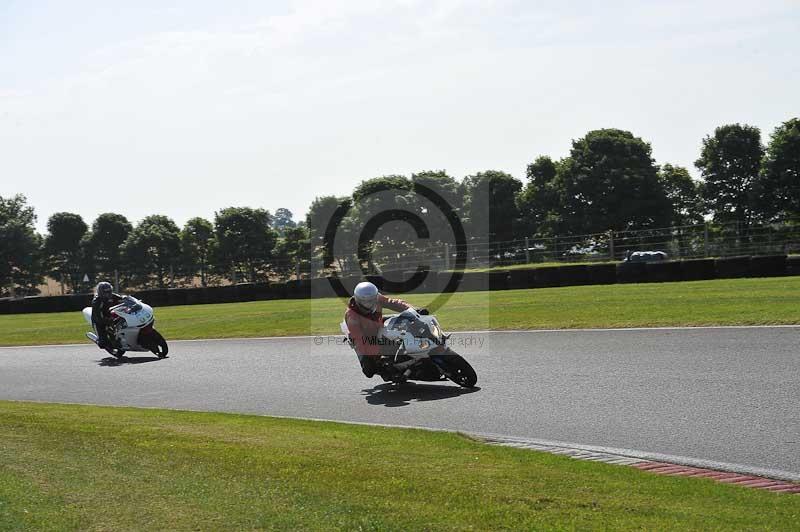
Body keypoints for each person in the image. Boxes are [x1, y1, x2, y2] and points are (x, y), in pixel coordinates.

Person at [344, 281, 421, 379]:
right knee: (369, 371)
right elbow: (361, 342)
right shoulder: (352, 316)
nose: (368, 304)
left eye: (371, 300)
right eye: (365, 302)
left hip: (378, 324)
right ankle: (388, 370)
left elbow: (394, 303)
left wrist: (414, 310)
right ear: (357, 300)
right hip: (362, 337)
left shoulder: (377, 298)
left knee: (406, 318)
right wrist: (381, 351)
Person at [91, 281, 124, 349]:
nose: (108, 294)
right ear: (100, 292)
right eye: (105, 292)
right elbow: (98, 315)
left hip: (112, 315)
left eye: (109, 291)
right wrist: (107, 320)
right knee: (103, 343)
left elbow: (122, 299)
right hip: (99, 320)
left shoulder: (113, 296)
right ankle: (99, 340)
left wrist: (128, 299)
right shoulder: (97, 301)